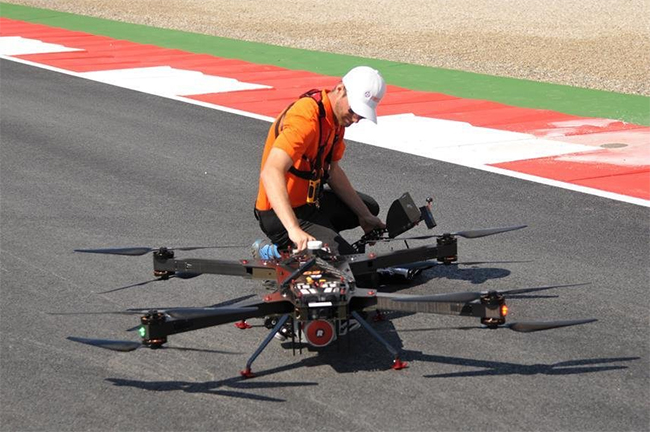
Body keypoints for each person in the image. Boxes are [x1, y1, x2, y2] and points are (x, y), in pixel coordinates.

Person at [254, 66, 387, 256]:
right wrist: (293, 229)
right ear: (340, 89)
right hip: (280, 214)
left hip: (310, 204)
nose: (356, 119)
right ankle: (285, 248)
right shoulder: (305, 118)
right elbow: (271, 171)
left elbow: (333, 172)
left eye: (362, 115)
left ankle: (320, 240)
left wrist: (364, 215)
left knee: (369, 208)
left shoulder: (336, 119)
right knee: (348, 266)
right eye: (354, 110)